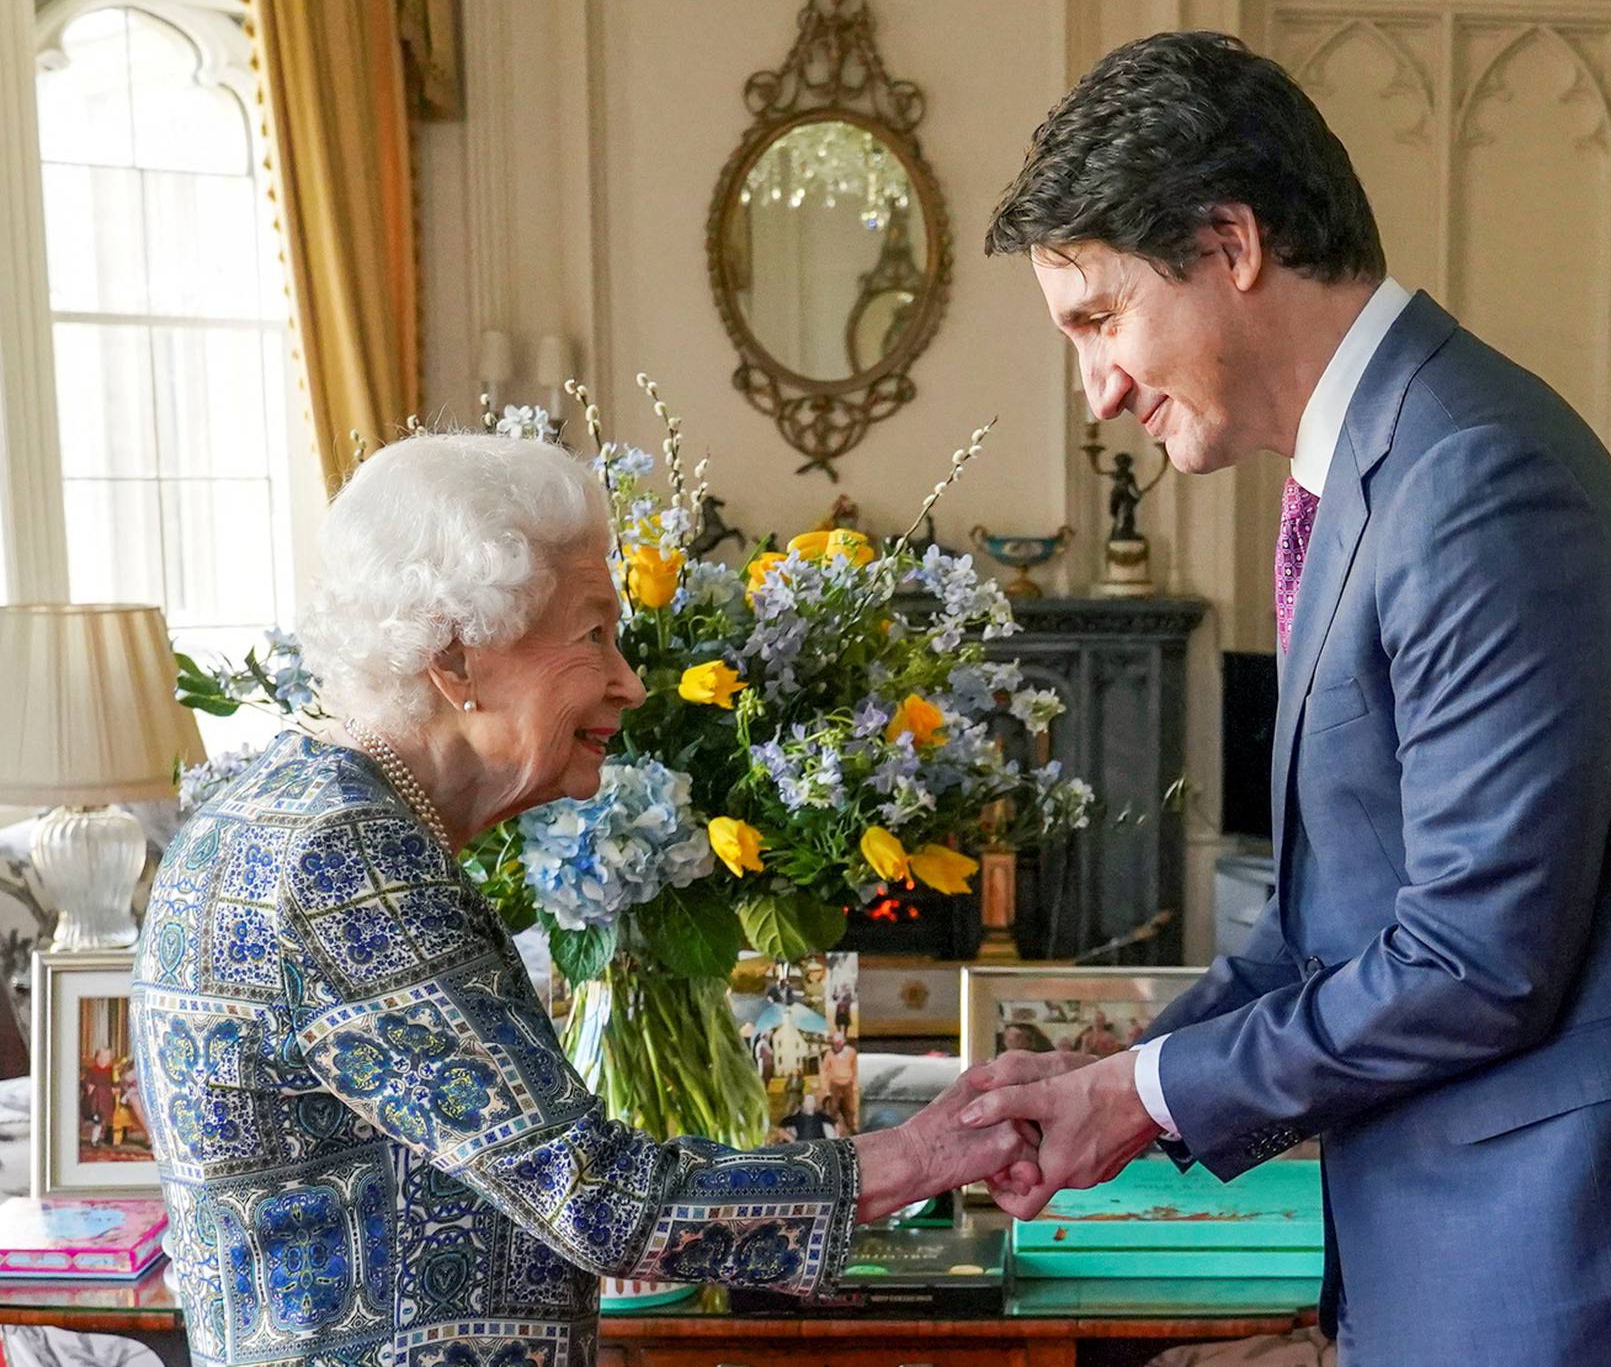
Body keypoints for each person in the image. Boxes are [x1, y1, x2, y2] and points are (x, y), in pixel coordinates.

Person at [962, 30, 1611, 1366]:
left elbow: (1478, 961)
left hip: (1562, 1243)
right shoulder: (1373, 468)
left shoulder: (1478, 481)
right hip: (1473, 1227)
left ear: (1231, 244)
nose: (1098, 387)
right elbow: (1331, 926)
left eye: (1100, 319)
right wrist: (1101, 1071)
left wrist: (1139, 1097)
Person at [131, 433, 1034, 1367]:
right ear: (458, 658)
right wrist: (922, 1156)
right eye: (594, 634)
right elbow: (595, 1195)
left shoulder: (276, 808)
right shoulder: (345, 859)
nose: (631, 683)